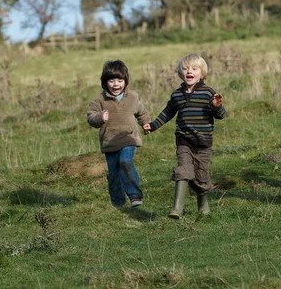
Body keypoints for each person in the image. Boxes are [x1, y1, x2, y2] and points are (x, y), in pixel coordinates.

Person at [143, 54, 226, 218]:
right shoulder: (177, 95)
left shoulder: (208, 93)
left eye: (194, 69)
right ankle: (177, 209)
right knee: (183, 171)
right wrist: (152, 125)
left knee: (201, 178)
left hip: (203, 144)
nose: (189, 71)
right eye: (186, 68)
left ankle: (203, 208)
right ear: (181, 73)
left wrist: (217, 107)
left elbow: (221, 115)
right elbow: (167, 113)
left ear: (201, 74)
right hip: (184, 141)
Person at [87, 60, 150, 208]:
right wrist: (100, 117)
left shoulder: (133, 97)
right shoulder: (99, 100)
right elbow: (90, 117)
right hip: (109, 142)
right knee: (113, 174)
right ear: (105, 82)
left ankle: (135, 196)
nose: (116, 85)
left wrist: (146, 124)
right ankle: (118, 203)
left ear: (125, 81)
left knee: (125, 162)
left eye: (120, 80)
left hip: (129, 138)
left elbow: (142, 112)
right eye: (112, 80)